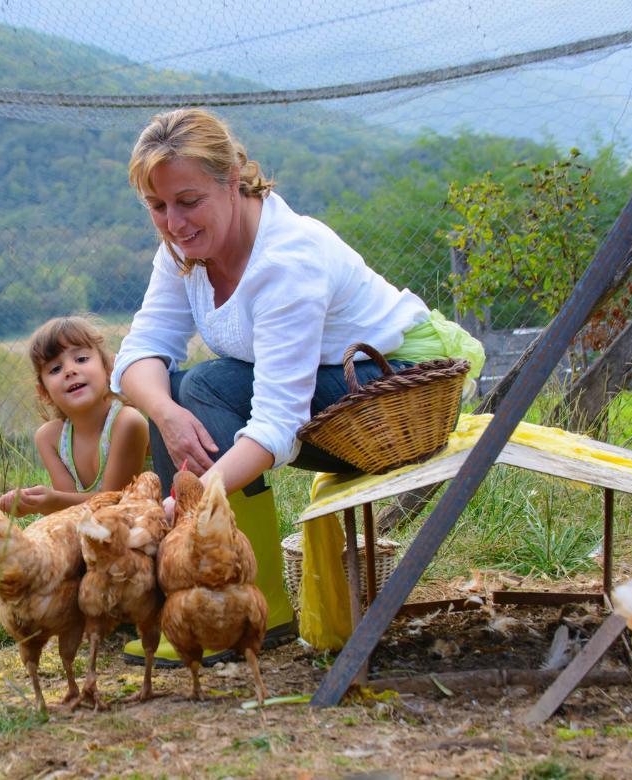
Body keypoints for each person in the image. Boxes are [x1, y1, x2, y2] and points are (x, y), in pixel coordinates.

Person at [113, 108, 483, 657]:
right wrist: (164, 414)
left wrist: (187, 503)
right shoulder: (182, 253)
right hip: (334, 393)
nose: (174, 222)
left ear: (232, 182)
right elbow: (138, 355)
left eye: (189, 202)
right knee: (177, 393)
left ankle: (235, 604)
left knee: (204, 387)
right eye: (157, 206)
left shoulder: (288, 259)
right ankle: (234, 604)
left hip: (397, 396)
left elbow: (278, 424)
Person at [0, 316, 147, 516]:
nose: (70, 370)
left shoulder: (127, 422)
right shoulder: (50, 439)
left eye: (81, 359)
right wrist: (36, 502)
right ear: (43, 392)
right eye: (55, 369)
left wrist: (52, 501)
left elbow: (115, 505)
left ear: (109, 368)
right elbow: (72, 514)